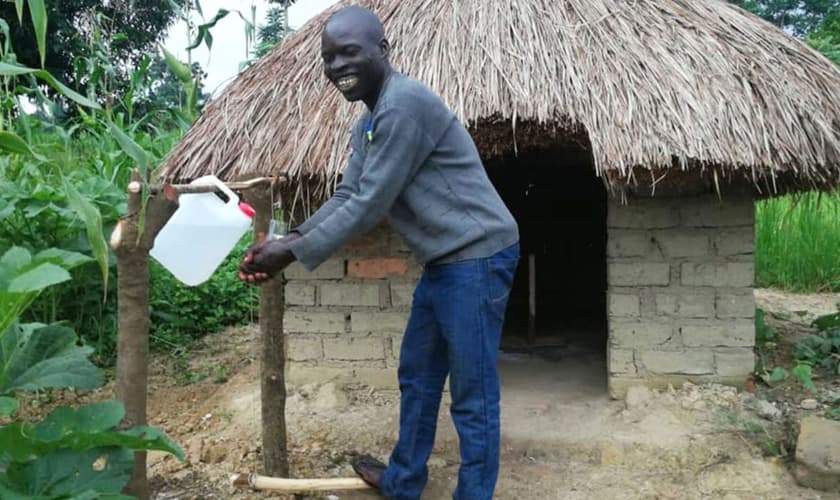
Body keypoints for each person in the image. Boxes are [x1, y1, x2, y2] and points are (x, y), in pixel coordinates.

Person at [238, 6, 519, 499]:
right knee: (418, 376)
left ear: (382, 51)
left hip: (477, 257)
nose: (338, 66)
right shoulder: (365, 125)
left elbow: (371, 203)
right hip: (444, 263)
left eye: (350, 52)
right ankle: (404, 481)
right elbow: (348, 196)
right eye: (329, 57)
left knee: (472, 396)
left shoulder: (404, 105)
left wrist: (289, 254)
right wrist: (285, 242)